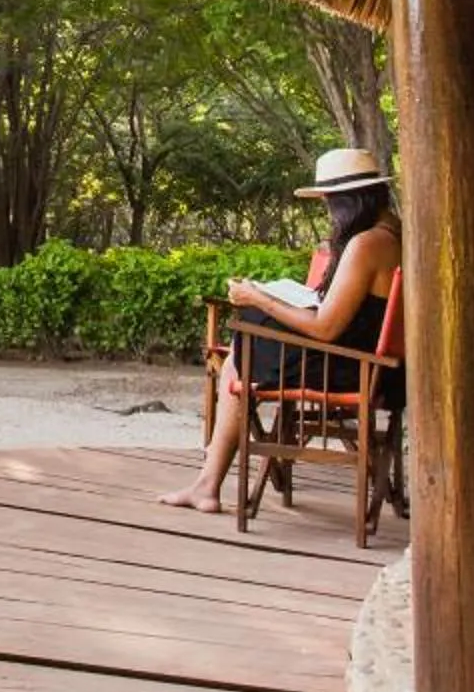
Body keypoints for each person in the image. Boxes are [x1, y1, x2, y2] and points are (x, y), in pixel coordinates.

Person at [160, 148, 400, 514]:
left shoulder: (367, 244)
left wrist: (259, 298)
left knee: (247, 336)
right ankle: (206, 483)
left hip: (351, 369)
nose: (328, 215)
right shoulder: (391, 233)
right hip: (374, 365)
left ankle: (207, 483)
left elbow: (325, 327)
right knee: (250, 336)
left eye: (329, 205)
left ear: (349, 202)